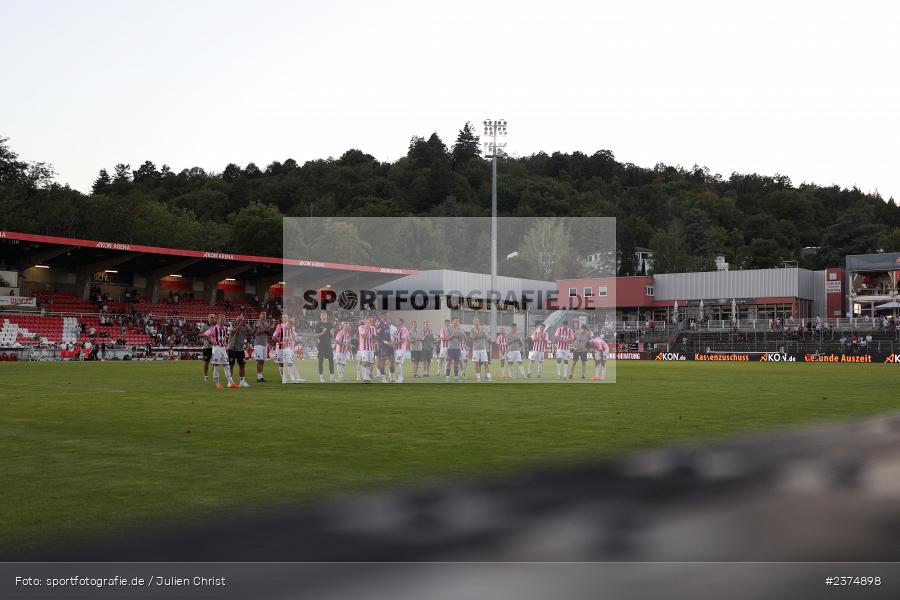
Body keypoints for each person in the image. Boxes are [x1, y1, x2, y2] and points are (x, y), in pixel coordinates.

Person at [203, 315, 236, 389]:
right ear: (217, 320)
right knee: (216, 365)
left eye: (224, 318)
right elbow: (204, 335)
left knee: (227, 365)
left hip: (223, 348)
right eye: (221, 318)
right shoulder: (214, 328)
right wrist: (211, 341)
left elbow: (232, 332)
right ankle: (217, 383)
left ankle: (231, 383)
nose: (223, 320)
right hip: (216, 348)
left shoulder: (225, 328)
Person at [273, 314, 304, 384]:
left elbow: (294, 336)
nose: (285, 318)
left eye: (286, 317)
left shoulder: (292, 327)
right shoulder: (279, 327)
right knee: (281, 364)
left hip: (289, 348)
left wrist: (294, 344)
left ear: (288, 319)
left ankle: (293, 379)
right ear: (281, 319)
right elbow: (274, 337)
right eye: (283, 317)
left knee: (290, 363)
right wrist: (280, 342)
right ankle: (283, 379)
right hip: (280, 348)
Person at [227, 314, 253, 387]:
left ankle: (242, 381)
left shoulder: (245, 326)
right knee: (231, 365)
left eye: (242, 319)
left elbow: (251, 332)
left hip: (240, 349)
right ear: (237, 319)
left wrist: (255, 327)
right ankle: (230, 381)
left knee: (242, 365)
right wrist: (241, 323)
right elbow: (235, 330)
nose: (241, 320)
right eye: (240, 318)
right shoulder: (232, 324)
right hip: (231, 348)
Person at [314, 311, 336, 383]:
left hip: (328, 344)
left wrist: (332, 333)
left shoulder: (330, 324)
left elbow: (332, 335)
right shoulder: (318, 324)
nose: (324, 316)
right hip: (321, 344)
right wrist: (322, 332)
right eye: (322, 315)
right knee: (321, 360)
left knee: (331, 360)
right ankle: (321, 377)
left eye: (325, 315)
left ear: (327, 316)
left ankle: (332, 377)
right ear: (320, 317)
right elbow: (315, 335)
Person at [469, 317, 492, 382]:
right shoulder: (472, 330)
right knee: (477, 363)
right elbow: (472, 339)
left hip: (483, 349)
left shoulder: (483, 329)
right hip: (475, 349)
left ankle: (489, 376)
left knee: (486, 363)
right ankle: (478, 377)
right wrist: (476, 333)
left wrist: (486, 334)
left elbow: (488, 339)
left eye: (477, 321)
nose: (476, 322)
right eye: (475, 321)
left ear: (479, 322)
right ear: (473, 322)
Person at [252, 312, 272, 383]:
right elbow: (256, 333)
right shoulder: (257, 322)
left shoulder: (267, 323)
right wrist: (265, 330)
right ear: (259, 315)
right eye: (262, 315)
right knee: (259, 361)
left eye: (265, 315)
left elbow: (269, 333)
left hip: (264, 343)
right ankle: (258, 377)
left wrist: (269, 328)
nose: (264, 316)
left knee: (262, 361)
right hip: (258, 344)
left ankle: (261, 377)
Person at [375, 313, 395, 383]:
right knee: (382, 361)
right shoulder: (379, 324)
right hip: (383, 345)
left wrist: (391, 342)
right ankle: (383, 378)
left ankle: (392, 377)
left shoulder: (387, 324)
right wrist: (386, 342)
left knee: (392, 360)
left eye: (388, 315)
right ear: (382, 316)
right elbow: (377, 335)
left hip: (390, 345)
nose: (388, 316)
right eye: (387, 315)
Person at [357, 316, 376, 384]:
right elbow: (364, 336)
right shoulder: (361, 327)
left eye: (371, 320)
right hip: (364, 348)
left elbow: (374, 337)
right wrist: (368, 329)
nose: (370, 322)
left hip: (371, 348)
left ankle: (367, 378)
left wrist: (374, 340)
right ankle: (365, 379)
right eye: (369, 320)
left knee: (370, 363)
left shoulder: (373, 328)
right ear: (365, 321)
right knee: (365, 362)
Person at [198, 313, 216, 382]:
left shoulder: (216, 326)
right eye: (211, 317)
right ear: (208, 319)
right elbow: (200, 334)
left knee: (215, 362)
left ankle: (214, 376)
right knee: (206, 362)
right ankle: (206, 376)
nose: (213, 319)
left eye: (214, 317)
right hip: (207, 347)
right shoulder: (204, 326)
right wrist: (205, 335)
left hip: (215, 347)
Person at [445, 317, 462, 383]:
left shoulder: (458, 328)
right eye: (455, 321)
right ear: (452, 321)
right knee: (449, 362)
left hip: (457, 348)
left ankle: (456, 377)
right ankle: (447, 377)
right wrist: (453, 334)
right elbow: (447, 338)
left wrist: (462, 335)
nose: (456, 322)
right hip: (451, 348)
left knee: (456, 363)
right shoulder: (448, 328)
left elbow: (460, 339)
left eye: (457, 321)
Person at [393, 318, 409, 383]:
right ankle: (399, 377)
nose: (397, 322)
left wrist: (394, 343)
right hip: (397, 349)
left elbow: (403, 340)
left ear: (401, 322)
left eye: (398, 321)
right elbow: (396, 338)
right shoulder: (398, 330)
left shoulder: (404, 329)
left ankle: (400, 378)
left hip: (401, 349)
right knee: (397, 363)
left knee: (397, 362)